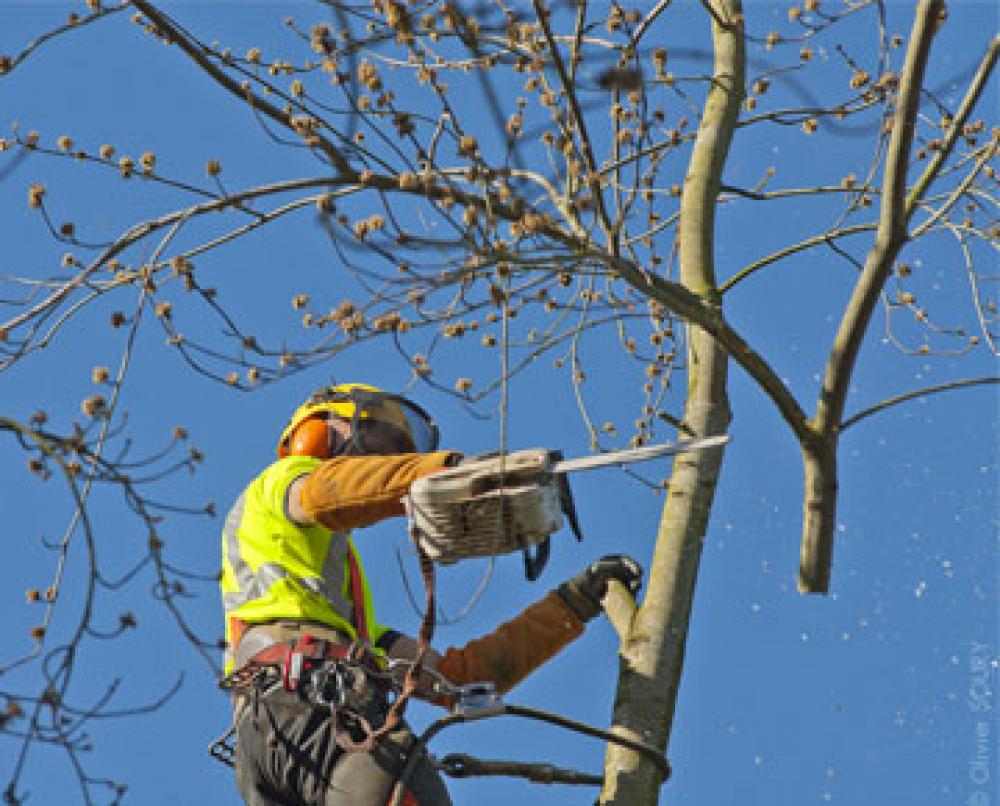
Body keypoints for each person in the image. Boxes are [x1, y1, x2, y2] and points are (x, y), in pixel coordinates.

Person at [220, 382, 643, 805]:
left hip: (271, 740)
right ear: (316, 431)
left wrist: (570, 605)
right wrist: (452, 472)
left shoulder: (344, 623)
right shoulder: (281, 484)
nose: (380, 462)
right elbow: (331, 490)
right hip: (313, 706)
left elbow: (458, 678)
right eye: (371, 443)